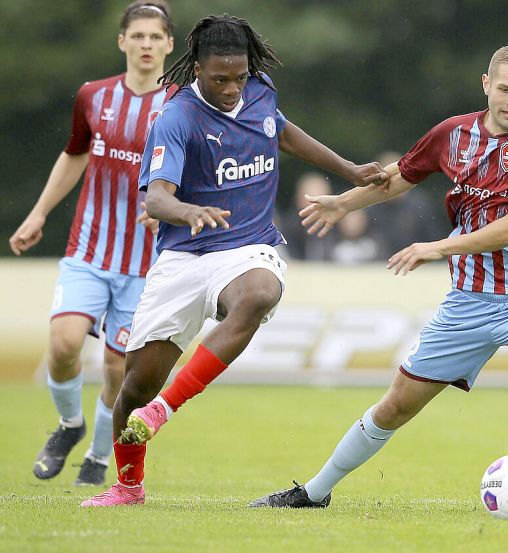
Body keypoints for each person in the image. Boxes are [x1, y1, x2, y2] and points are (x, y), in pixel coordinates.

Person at [249, 45, 508, 514]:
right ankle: (313, 492)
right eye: (505, 89)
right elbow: (401, 176)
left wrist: (436, 248)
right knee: (394, 408)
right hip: (467, 304)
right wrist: (343, 203)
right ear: (486, 84)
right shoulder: (453, 134)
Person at [81, 13, 388, 507]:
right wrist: (190, 210)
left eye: (238, 77)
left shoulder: (261, 91)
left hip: (248, 246)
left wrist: (348, 169)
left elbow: (282, 133)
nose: (231, 88)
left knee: (260, 293)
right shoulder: (176, 117)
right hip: (183, 256)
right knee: (134, 387)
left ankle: (165, 410)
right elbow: (156, 200)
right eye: (219, 79)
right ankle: (128, 486)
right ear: (196, 70)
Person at [8, 1, 177, 487]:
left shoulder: (181, 103)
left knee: (116, 369)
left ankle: (99, 458)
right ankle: (69, 425)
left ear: (168, 44)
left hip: (147, 263)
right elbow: (74, 154)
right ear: (122, 42)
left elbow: (196, 169)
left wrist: (174, 208)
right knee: (63, 344)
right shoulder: (93, 96)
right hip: (90, 248)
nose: (146, 44)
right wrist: (38, 213)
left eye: (155, 37)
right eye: (137, 36)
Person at [278, 171, 334, 260]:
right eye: (312, 200)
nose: (317, 206)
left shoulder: (337, 225)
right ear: (299, 199)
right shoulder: (289, 227)